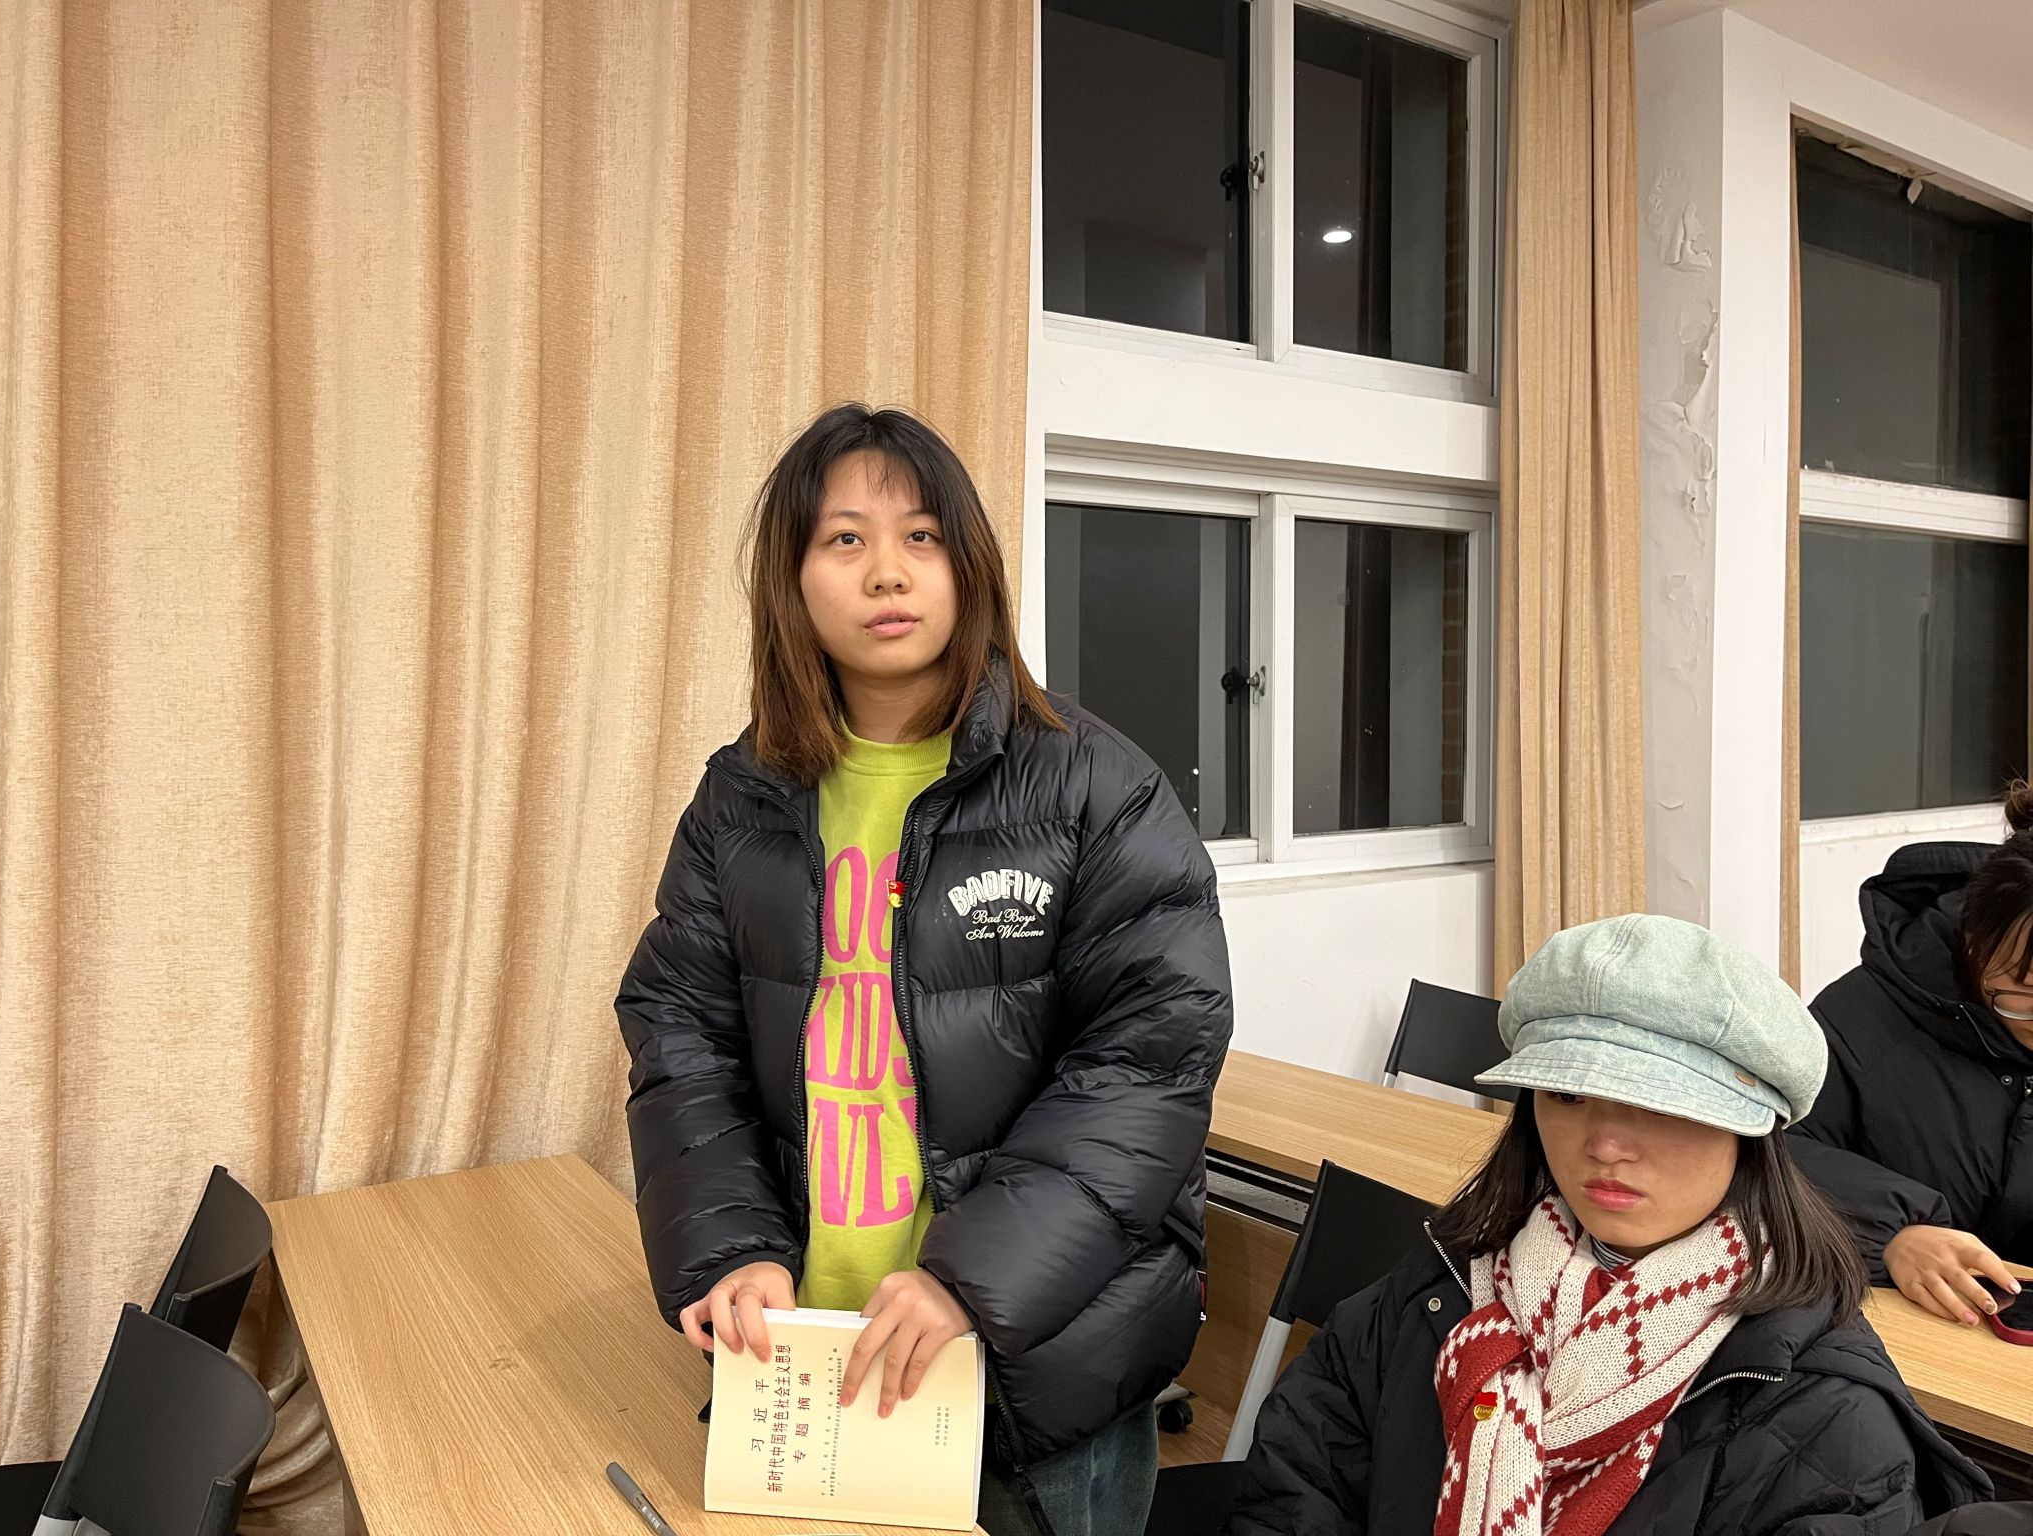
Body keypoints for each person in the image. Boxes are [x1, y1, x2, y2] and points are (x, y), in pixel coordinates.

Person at [614, 402, 1233, 1536]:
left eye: (921, 537)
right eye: (844, 539)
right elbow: (680, 1032)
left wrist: (974, 1277)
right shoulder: (739, 797)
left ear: (967, 567)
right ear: (792, 580)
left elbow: (1150, 1059)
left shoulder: (1096, 786)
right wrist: (732, 1247)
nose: (886, 572)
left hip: (1040, 1357)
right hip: (814, 1341)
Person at [1226, 914, 1987, 1536]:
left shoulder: (1829, 1420)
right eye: (1566, 1095)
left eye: (1659, 1103)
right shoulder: (1444, 1284)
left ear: (1751, 1131)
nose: (1604, 1145)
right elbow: (1296, 1484)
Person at [1790, 786, 2033, 1329]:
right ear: (1974, 944)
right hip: (1887, 1331)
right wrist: (1893, 1233)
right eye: (2024, 994)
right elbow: (1764, 1148)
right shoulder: (1864, 1017)